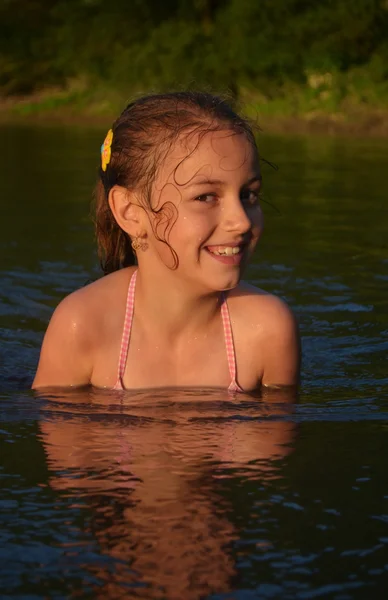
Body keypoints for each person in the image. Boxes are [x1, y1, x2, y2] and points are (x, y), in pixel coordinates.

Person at [32, 91, 300, 392]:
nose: (241, 221)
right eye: (206, 197)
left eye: (248, 194)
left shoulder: (267, 332)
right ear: (131, 212)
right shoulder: (83, 326)